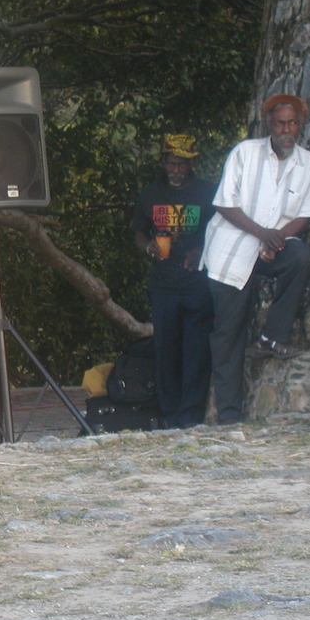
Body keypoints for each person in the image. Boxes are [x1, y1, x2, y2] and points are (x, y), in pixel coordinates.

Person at [201, 94, 310, 424]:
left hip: (273, 247)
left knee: (301, 256)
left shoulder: (309, 163)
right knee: (229, 333)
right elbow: (224, 203)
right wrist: (262, 233)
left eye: (293, 123)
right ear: (269, 124)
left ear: (300, 124)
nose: (287, 129)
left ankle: (273, 335)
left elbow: (308, 214)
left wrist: (276, 238)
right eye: (281, 123)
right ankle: (228, 416)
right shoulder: (245, 153)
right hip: (233, 249)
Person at [131, 134, 216, 428]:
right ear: (163, 163)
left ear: (191, 164)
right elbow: (138, 232)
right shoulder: (150, 193)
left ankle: (191, 417)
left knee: (196, 352)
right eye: (172, 164)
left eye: (182, 165)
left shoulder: (208, 193)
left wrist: (203, 249)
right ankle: (169, 417)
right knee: (166, 352)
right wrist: (148, 247)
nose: (176, 170)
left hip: (198, 285)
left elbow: (221, 231)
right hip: (163, 285)